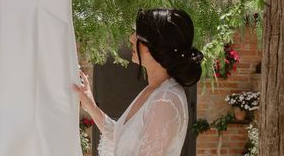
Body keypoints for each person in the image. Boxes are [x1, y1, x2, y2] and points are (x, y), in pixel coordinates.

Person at [73, 8, 204, 156]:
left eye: (138, 35)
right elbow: (120, 138)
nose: (131, 38)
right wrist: (90, 105)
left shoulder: (166, 100)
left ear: (154, 45)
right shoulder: (155, 90)